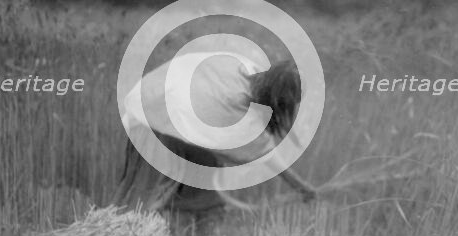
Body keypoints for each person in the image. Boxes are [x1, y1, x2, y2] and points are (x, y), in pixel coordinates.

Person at [113, 51, 317, 213]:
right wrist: (300, 186)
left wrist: (301, 186)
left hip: (156, 105)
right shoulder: (234, 105)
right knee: (144, 203)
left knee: (203, 195)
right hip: (155, 122)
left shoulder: (242, 67)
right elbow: (264, 154)